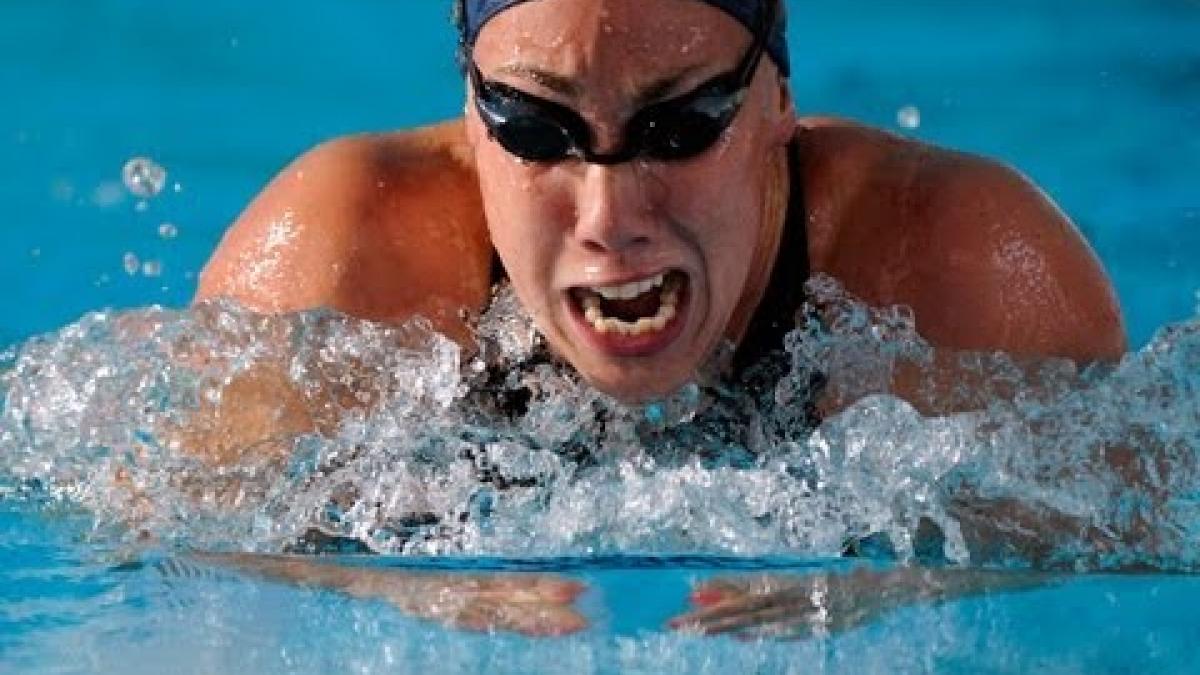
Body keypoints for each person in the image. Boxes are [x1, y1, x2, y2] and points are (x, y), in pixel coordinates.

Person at [189, 0, 1128, 637]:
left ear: (779, 99)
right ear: (471, 115)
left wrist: (898, 587)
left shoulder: (958, 265)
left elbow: (1115, 555)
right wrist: (391, 587)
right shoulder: (343, 255)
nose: (608, 221)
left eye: (680, 128)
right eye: (533, 128)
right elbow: (168, 538)